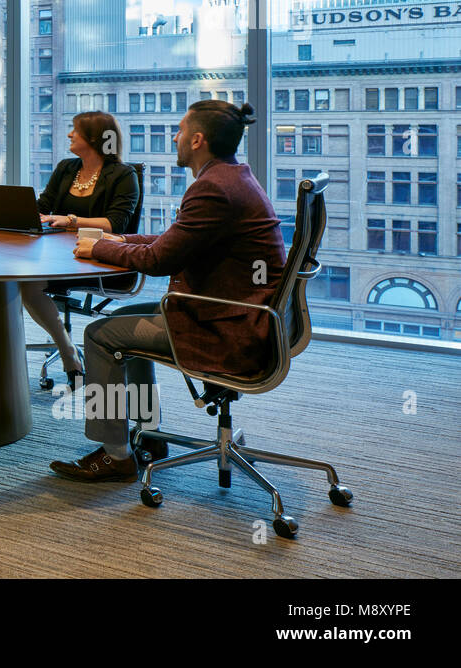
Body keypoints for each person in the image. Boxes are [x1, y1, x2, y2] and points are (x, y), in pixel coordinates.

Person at [49, 101, 285, 482]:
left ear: (197, 139)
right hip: (242, 313)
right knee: (124, 320)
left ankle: (116, 454)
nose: (173, 138)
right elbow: (175, 240)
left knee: (98, 335)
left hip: (227, 326)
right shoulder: (232, 177)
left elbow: (160, 260)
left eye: (178, 131)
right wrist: (121, 238)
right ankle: (150, 433)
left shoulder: (213, 189)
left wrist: (101, 247)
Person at [22, 111, 139, 392]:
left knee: (28, 284)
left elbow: (116, 223)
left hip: (98, 262)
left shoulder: (124, 175)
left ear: (95, 138)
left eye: (75, 130)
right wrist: (24, 215)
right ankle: (67, 349)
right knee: (18, 279)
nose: (69, 135)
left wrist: (71, 220)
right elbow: (43, 206)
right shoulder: (66, 168)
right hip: (56, 256)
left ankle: (68, 355)